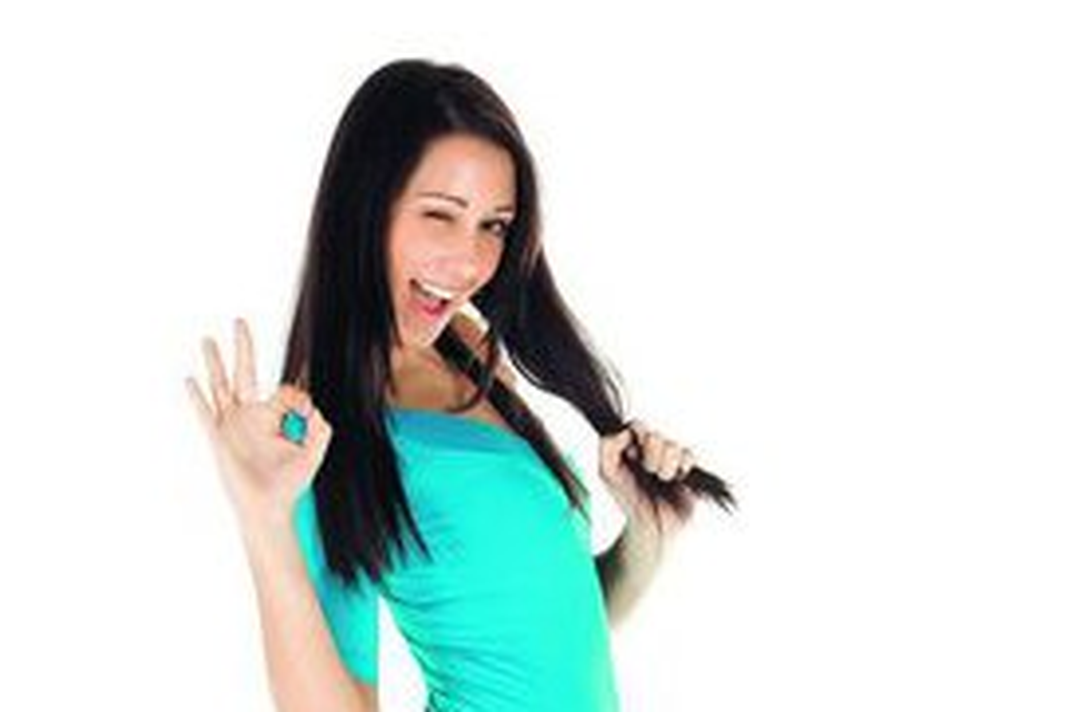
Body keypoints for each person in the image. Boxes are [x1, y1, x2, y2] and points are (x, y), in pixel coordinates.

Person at [185, 58, 734, 712]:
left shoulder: (468, 349)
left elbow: (542, 641)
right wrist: (263, 516)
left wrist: (647, 534)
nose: (470, 262)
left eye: (493, 225)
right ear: (366, 209)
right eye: (440, 216)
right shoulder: (319, 433)